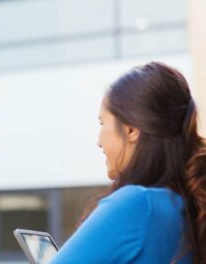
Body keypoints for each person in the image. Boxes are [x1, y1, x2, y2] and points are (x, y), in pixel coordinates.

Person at [50, 62, 206, 264]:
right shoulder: (185, 206)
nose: (99, 141)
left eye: (102, 123)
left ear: (131, 129)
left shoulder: (139, 204)